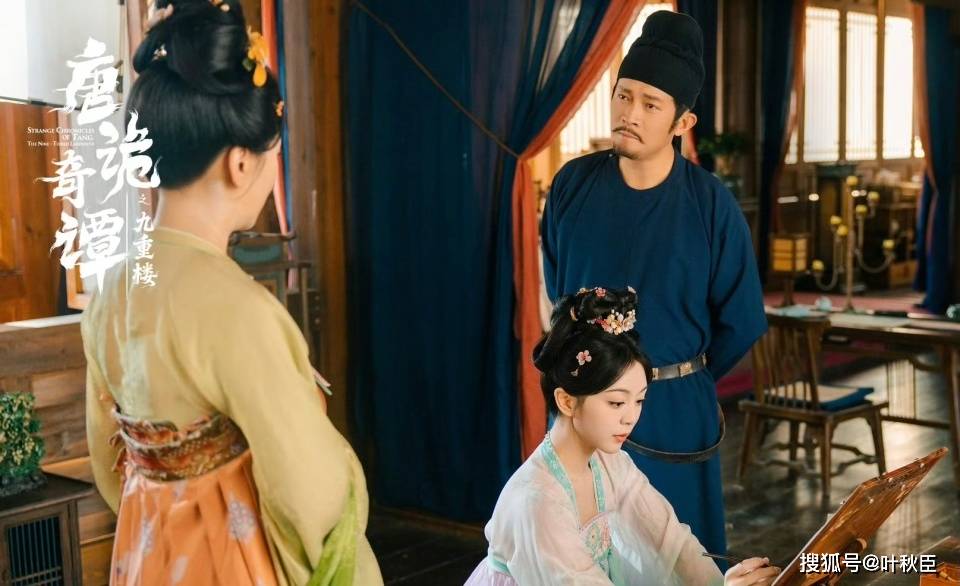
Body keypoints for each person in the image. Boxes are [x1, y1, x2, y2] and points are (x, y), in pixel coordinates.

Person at [82, 1, 382, 583]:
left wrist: (164, 502)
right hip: (230, 558)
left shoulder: (111, 293)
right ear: (241, 163)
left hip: (147, 552)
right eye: (273, 156)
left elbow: (109, 461)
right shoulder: (239, 308)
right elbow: (310, 490)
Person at [540, 11, 767, 561]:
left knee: (679, 560)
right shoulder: (572, 184)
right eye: (624, 96)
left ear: (682, 121)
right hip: (584, 407)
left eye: (650, 104)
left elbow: (741, 320)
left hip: (674, 408)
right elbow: (558, 287)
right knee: (581, 556)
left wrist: (676, 374)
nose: (630, 113)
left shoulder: (710, 204)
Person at [465, 288, 778, 585]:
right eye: (616, 402)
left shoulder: (608, 462)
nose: (631, 417)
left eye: (639, 400)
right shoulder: (538, 501)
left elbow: (670, 540)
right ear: (567, 401)